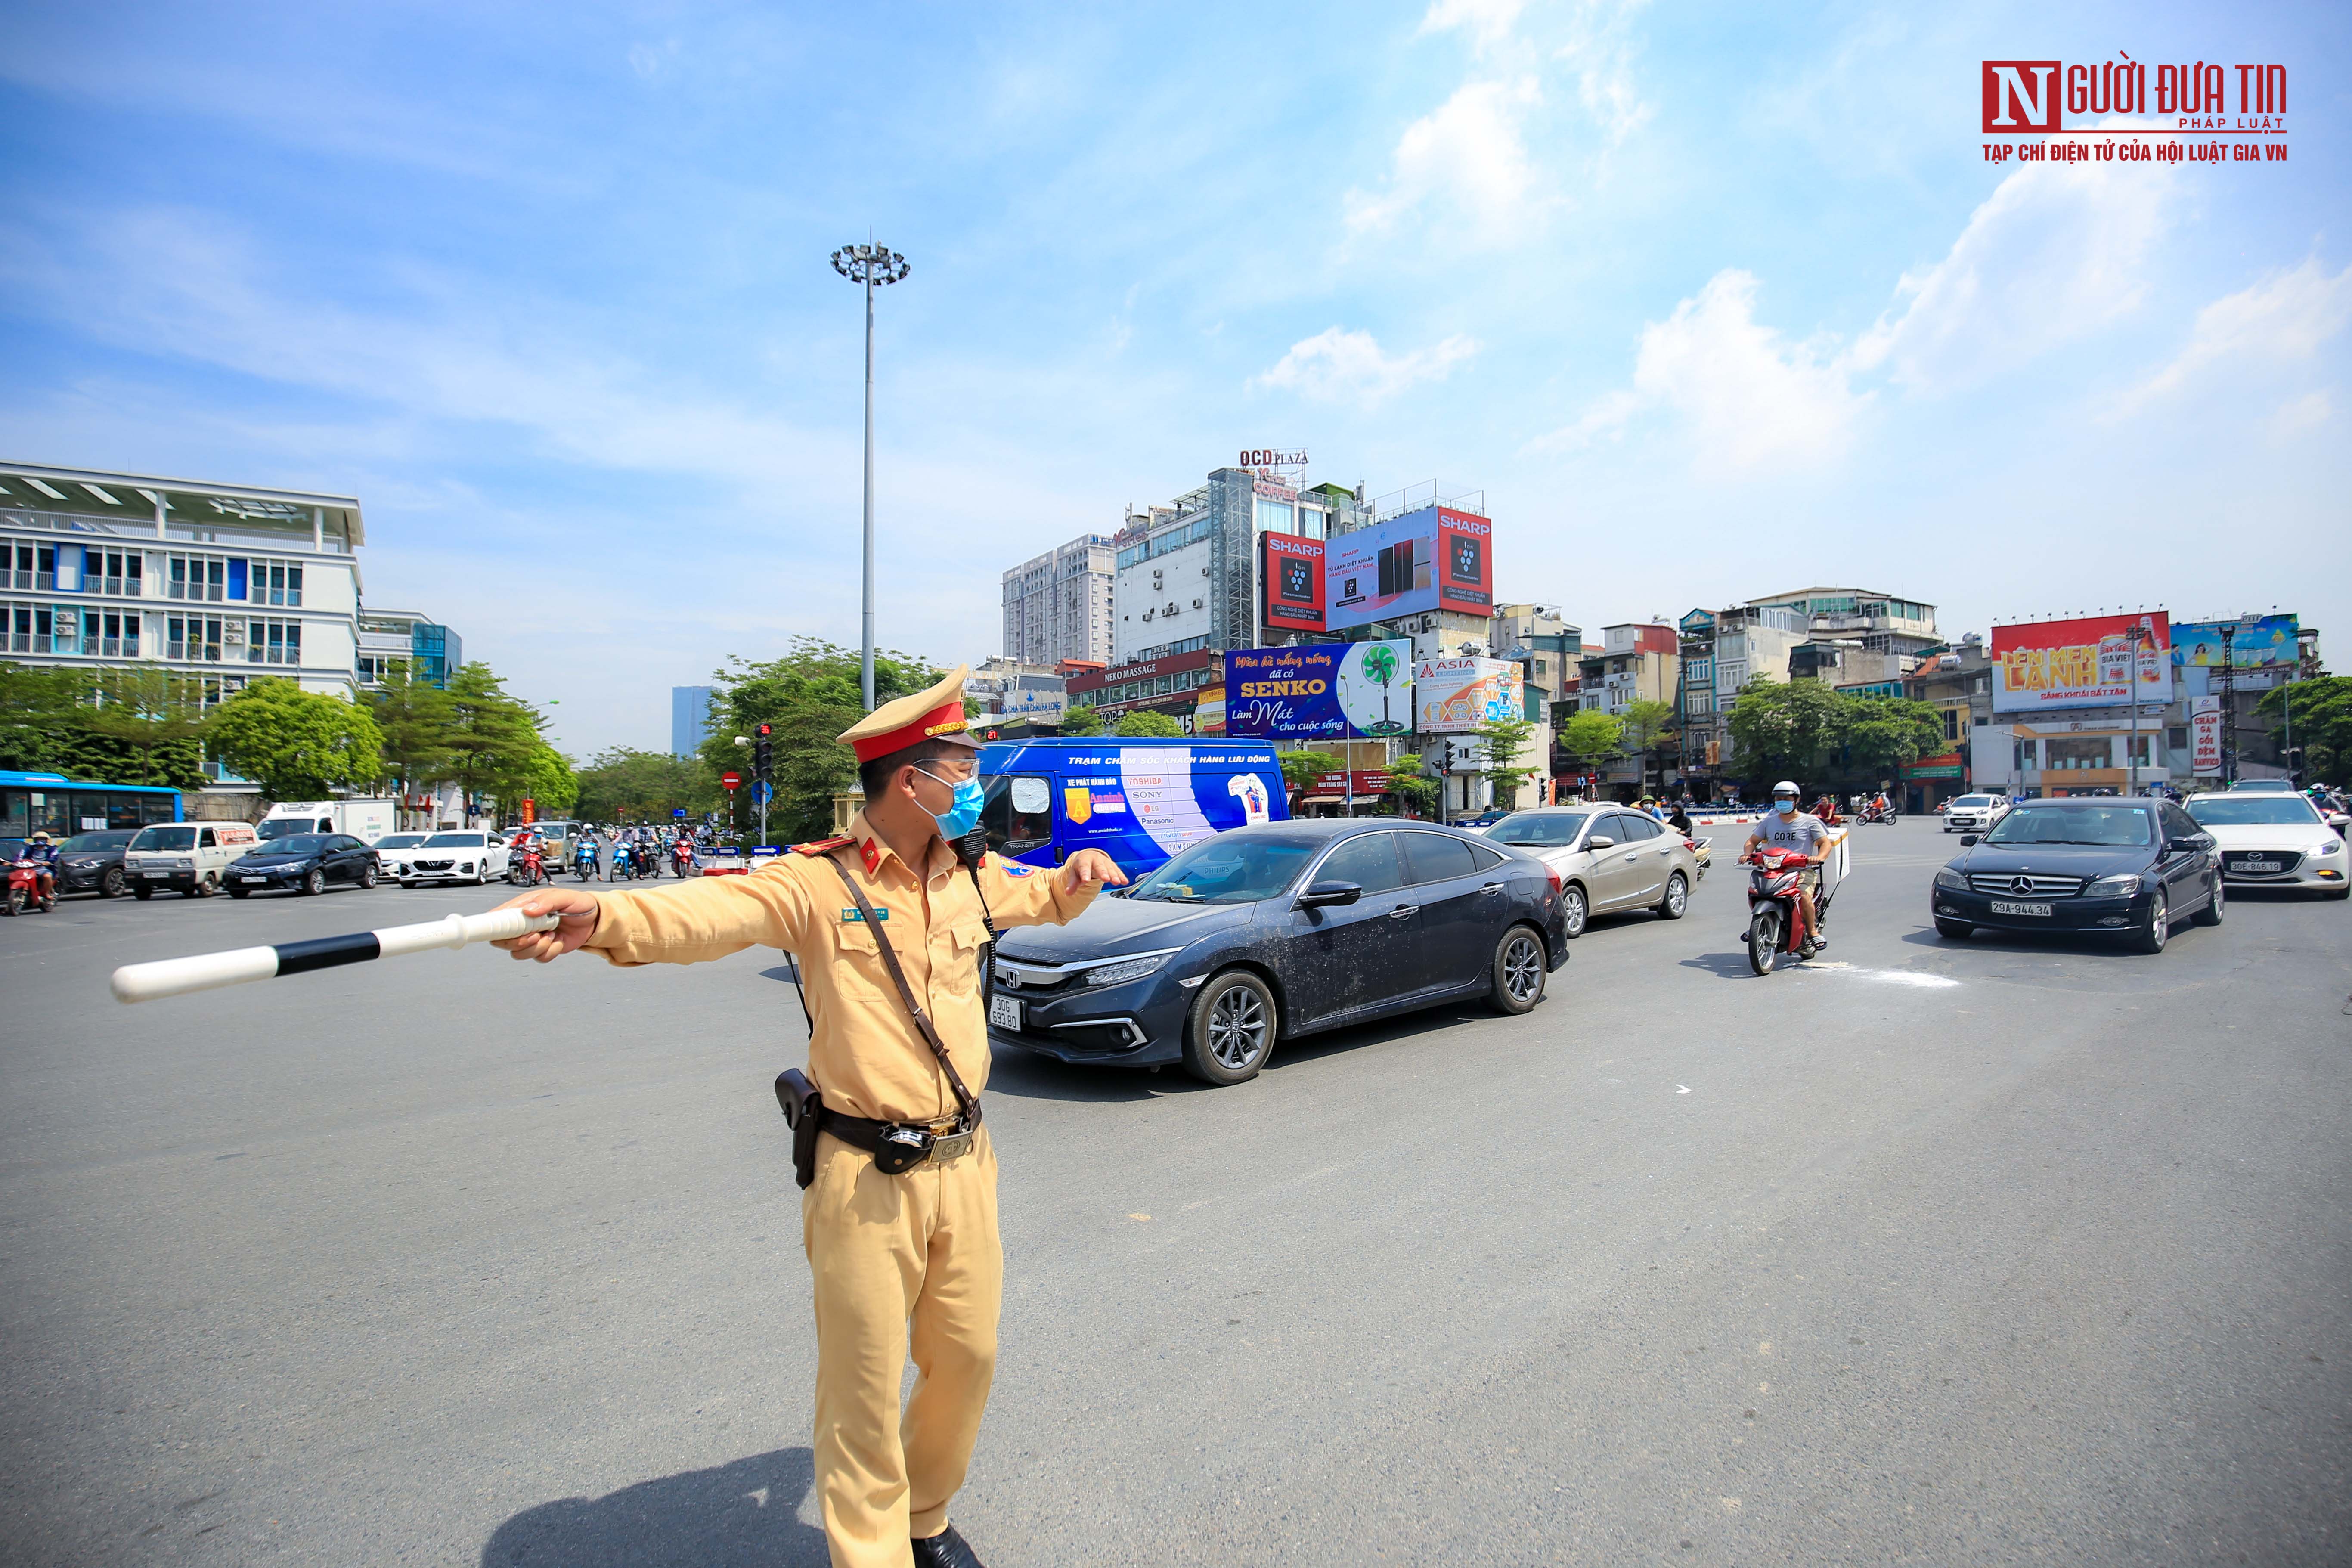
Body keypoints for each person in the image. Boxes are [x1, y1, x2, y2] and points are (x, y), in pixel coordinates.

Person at [491, 667, 1125, 1568]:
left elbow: (1045, 894)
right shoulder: (815, 883)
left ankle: (925, 1516)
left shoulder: (969, 875)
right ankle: (873, 1554)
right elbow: (710, 910)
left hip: (965, 1161)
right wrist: (602, 914)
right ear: (913, 782)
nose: (977, 784)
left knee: (968, 1358)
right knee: (863, 1387)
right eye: (965, 767)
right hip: (865, 1174)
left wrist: (1080, 875)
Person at [1743, 781, 1831, 949]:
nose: (1782, 801)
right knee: (1756, 892)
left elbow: (1825, 843)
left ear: (1796, 800)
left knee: (1803, 896)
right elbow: (1752, 841)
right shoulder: (1769, 822)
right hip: (1772, 870)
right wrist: (1748, 854)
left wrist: (1818, 858)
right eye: (1779, 798)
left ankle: (1813, 931)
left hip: (1801, 871)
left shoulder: (1810, 822)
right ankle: (1757, 924)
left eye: (1786, 798)